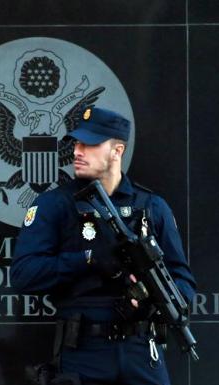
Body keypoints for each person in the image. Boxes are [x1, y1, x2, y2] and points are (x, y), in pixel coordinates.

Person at [11, 107, 196, 385]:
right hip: (83, 350)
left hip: (142, 351)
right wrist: (88, 259)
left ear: (117, 150)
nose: (77, 151)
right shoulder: (54, 205)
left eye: (90, 144)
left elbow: (183, 283)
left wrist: (147, 299)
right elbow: (24, 274)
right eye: (77, 143)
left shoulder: (151, 207)